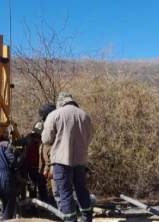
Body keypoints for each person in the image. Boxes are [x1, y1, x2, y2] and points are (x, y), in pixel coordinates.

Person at [42, 92, 93, 222]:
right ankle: (87, 218)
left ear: (60, 102)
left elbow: (46, 139)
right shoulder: (85, 116)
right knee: (82, 191)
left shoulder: (54, 115)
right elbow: (89, 137)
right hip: (81, 161)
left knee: (65, 194)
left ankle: (70, 220)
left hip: (61, 161)